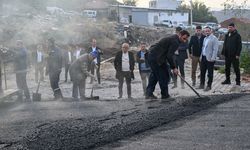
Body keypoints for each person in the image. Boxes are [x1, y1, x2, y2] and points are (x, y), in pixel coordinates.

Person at [146, 30, 190, 99]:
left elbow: (166, 53)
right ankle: (165, 95)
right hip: (156, 58)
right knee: (163, 76)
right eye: (184, 38)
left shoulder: (173, 38)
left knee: (154, 75)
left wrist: (171, 66)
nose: (185, 41)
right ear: (180, 35)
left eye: (186, 39)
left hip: (153, 56)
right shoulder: (175, 42)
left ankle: (149, 93)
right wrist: (174, 67)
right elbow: (169, 56)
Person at [198, 27, 219, 91]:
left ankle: (209, 86)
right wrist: (201, 56)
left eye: (208, 31)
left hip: (210, 58)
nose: (207, 32)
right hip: (204, 57)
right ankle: (202, 84)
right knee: (202, 72)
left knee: (210, 73)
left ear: (211, 31)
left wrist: (213, 58)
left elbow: (215, 49)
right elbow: (203, 48)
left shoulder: (214, 38)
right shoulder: (205, 38)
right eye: (206, 31)